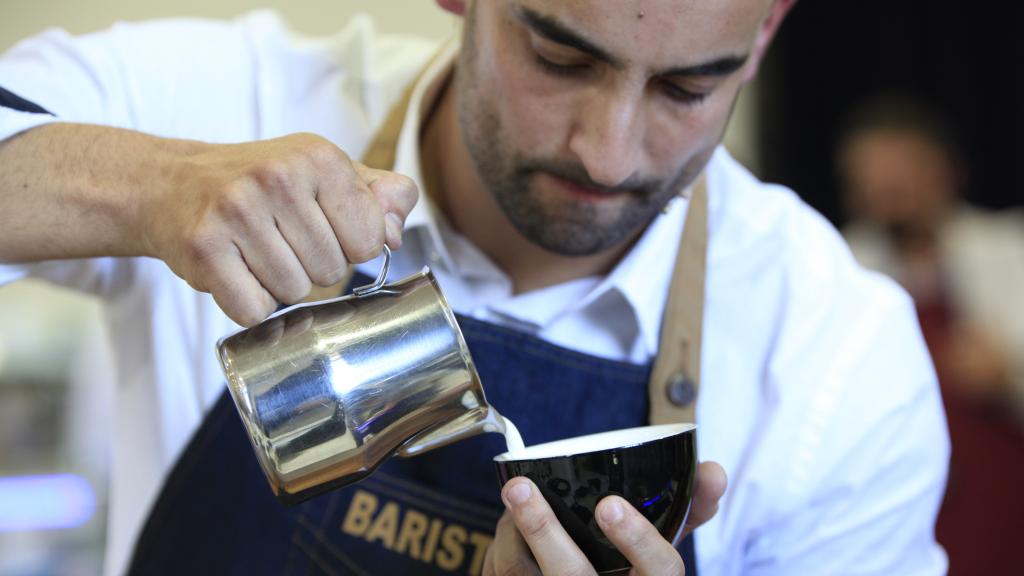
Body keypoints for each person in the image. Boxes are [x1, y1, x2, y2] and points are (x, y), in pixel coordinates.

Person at [0, 1, 949, 575]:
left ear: (768, 27)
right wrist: (151, 186)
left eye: (687, 90)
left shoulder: (838, 355)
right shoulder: (227, 98)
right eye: (561, 57)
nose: (609, 152)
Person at [838, 95, 1024, 575]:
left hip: (1004, 501)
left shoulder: (1010, 250)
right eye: (874, 177)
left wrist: (1008, 377)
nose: (890, 188)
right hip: (900, 507)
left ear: (948, 170)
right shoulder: (839, 268)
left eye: (904, 171)